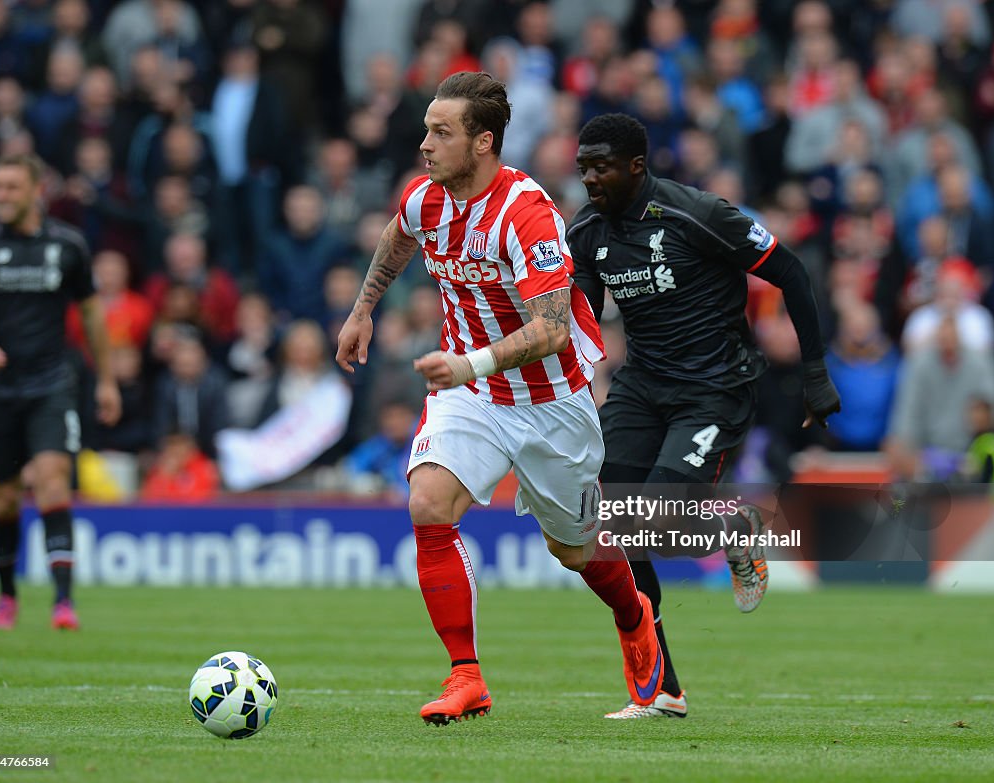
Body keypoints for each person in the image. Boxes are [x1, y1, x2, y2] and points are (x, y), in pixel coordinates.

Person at [335, 72, 663, 725]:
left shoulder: (527, 213)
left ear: (483, 142)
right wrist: (363, 307)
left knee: (573, 549)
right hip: (472, 393)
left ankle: (634, 614)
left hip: (549, 402)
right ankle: (466, 675)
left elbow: (552, 328)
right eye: (427, 128)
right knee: (428, 501)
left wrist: (469, 361)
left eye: (441, 132)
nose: (425, 143)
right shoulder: (427, 198)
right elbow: (398, 235)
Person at [567, 113, 841, 718]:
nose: (588, 177)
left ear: (637, 166)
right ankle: (662, 687)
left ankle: (734, 530)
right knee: (611, 531)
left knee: (657, 523)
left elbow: (790, 271)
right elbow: (582, 328)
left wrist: (815, 374)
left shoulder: (699, 214)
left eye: (601, 165)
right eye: (582, 165)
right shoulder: (585, 231)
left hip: (715, 388)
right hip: (641, 387)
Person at [0, 153, 121, 631]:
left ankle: (62, 602)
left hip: (52, 382)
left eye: (12, 188)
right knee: (4, 499)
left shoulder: (68, 245)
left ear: (37, 190)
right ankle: (8, 595)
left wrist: (107, 379)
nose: (2, 197)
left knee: (54, 479)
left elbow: (93, 316)